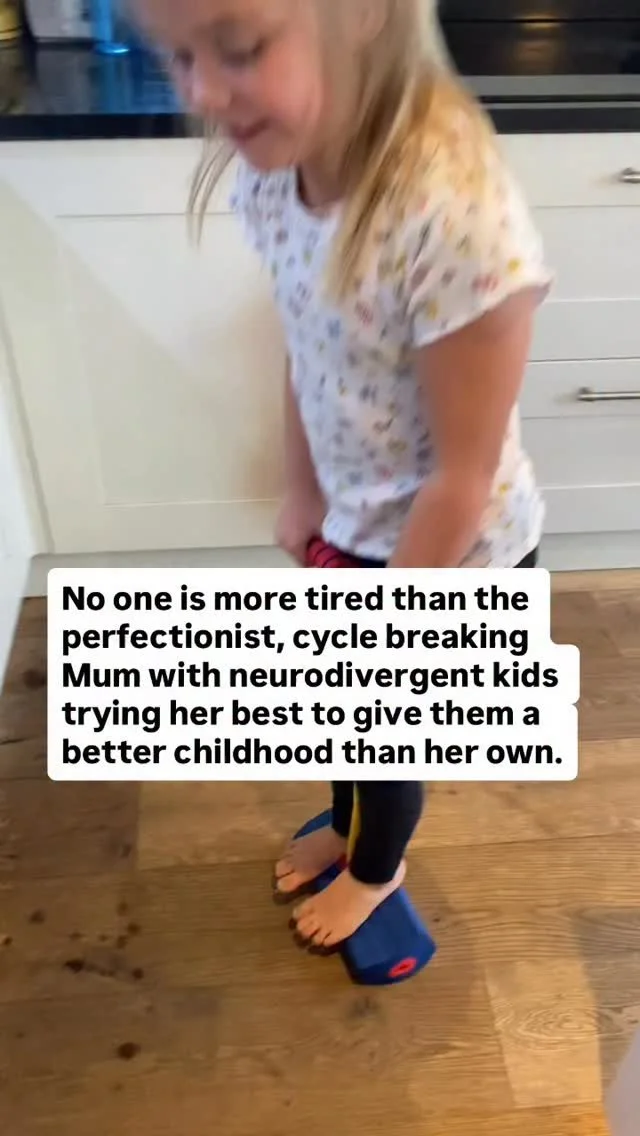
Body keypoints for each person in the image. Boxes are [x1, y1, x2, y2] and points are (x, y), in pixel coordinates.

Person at [133, 0, 553, 951]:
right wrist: (303, 491)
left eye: (239, 49)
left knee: (380, 736)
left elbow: (464, 478)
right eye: (179, 57)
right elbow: (309, 344)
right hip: (356, 526)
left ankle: (376, 871)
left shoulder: (455, 217)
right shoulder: (280, 172)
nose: (203, 92)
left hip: (453, 556)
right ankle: (346, 822)